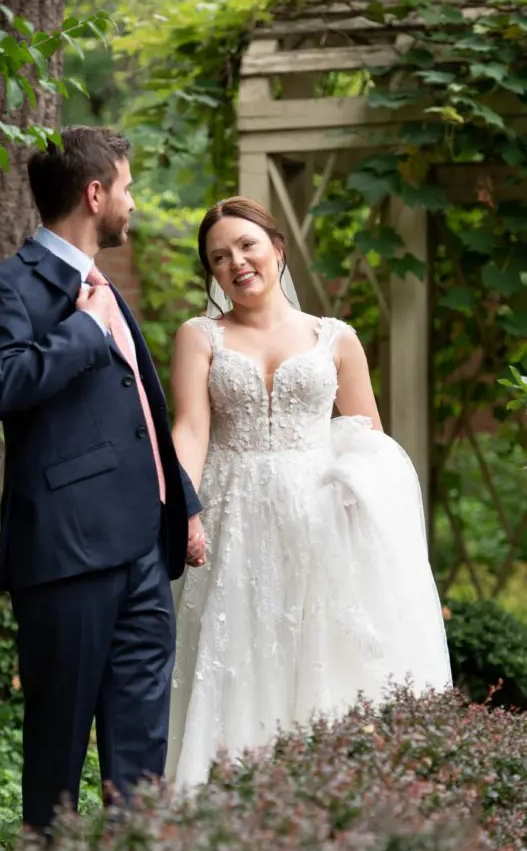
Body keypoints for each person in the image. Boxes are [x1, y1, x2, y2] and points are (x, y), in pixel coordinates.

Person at [166, 196, 452, 789]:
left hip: (316, 520)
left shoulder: (336, 339)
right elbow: (190, 429)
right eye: (219, 257)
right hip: (230, 514)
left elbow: (369, 437)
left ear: (276, 248)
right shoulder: (199, 337)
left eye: (246, 246)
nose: (236, 263)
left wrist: (360, 503)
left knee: (318, 654)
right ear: (213, 272)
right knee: (237, 654)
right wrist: (183, 508)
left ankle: (323, 802)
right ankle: (228, 804)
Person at [0, 126, 205, 831]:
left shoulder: (105, 288)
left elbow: (139, 414)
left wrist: (182, 505)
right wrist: (82, 332)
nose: (132, 203)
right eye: (126, 187)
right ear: (95, 193)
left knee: (140, 744)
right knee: (58, 743)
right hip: (66, 554)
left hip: (141, 549)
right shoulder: (5, 287)